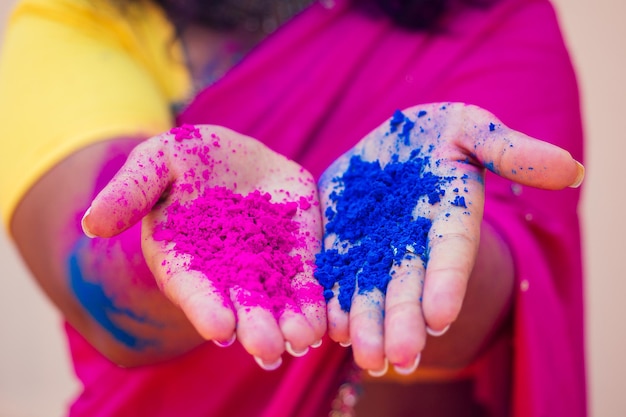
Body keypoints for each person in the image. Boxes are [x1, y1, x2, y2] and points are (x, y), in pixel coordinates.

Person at [0, 0, 586, 416]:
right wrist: (183, 228)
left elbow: (520, 282)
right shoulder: (80, 21)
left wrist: (419, 237)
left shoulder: (490, 15)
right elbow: (97, 277)